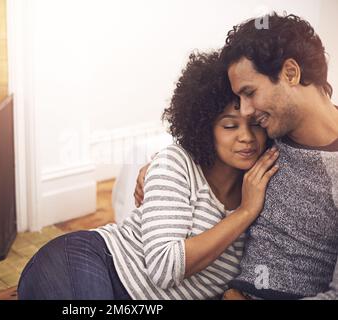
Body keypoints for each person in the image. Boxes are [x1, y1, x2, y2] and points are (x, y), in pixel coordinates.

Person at [17, 51, 278, 300]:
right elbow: (164, 268)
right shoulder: (177, 163)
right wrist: (245, 213)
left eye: (255, 123)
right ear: (205, 127)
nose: (246, 137)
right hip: (88, 261)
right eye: (230, 125)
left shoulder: (267, 188)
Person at [135, 13, 338, 300]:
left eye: (250, 92)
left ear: (291, 73)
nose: (244, 111)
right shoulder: (269, 134)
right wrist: (158, 166)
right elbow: (210, 142)